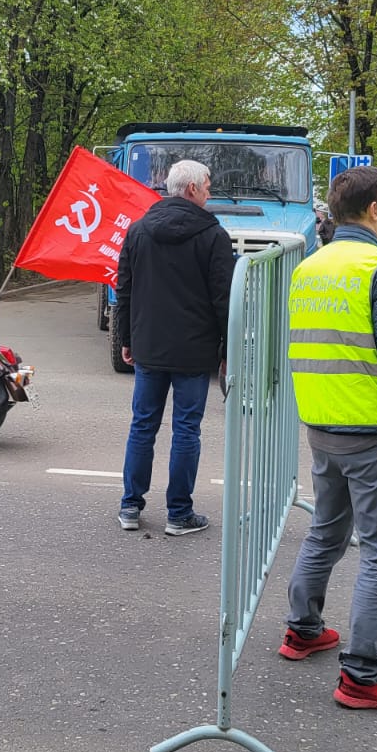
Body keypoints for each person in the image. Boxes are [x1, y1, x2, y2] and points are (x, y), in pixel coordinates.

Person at [278, 165, 377, 711]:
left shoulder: (309, 267)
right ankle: (363, 676)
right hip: (372, 429)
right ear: (372, 209)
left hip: (322, 425)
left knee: (326, 531)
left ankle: (302, 629)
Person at [114, 158, 235, 537]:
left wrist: (126, 339)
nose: (210, 193)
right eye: (208, 187)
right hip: (194, 351)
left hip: (149, 346)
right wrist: (228, 350)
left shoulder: (138, 230)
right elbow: (224, 300)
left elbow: (124, 289)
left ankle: (130, 506)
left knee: (142, 425)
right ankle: (178, 513)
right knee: (186, 430)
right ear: (193, 189)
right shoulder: (214, 236)